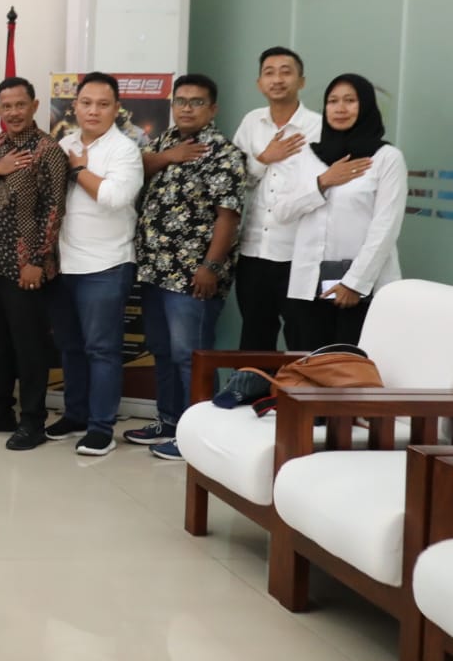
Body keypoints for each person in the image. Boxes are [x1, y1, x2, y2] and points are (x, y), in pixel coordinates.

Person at [125, 75, 246, 460]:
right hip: (154, 270)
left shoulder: (224, 152)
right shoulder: (162, 142)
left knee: (190, 356)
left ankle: (199, 435)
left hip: (193, 276)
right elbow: (138, 169)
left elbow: (228, 217)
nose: (187, 108)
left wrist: (210, 266)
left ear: (213, 109)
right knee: (161, 350)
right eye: (181, 101)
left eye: (197, 102)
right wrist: (168, 156)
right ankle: (169, 421)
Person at [0, 77, 67, 450]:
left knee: (29, 347)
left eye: (20, 105)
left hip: (27, 266)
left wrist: (37, 260)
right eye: (6, 106)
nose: (14, 112)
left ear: (34, 106)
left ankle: (33, 421)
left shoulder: (49, 149)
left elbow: (54, 210)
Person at [45, 72, 144, 457]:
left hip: (106, 265)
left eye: (103, 104)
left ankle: (101, 427)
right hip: (64, 264)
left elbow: (114, 197)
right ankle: (75, 415)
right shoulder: (64, 143)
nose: (93, 111)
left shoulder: (125, 150)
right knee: (70, 348)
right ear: (75, 106)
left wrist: (78, 170)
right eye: (86, 103)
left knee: (102, 350)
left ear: (116, 109)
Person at [273, 74, 406, 349]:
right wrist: (322, 182)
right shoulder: (307, 155)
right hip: (309, 286)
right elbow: (282, 212)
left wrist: (355, 283)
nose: (340, 108)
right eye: (332, 101)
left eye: (350, 100)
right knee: (308, 363)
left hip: (362, 289)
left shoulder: (386, 158)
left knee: (352, 367)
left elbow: (386, 226)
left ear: (365, 106)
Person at [230, 47, 322, 349]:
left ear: (301, 81)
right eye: (269, 73)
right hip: (254, 250)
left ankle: (299, 384)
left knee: (304, 338)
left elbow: (323, 189)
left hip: (300, 252)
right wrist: (264, 158)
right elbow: (235, 182)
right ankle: (256, 384)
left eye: (286, 72)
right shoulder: (252, 122)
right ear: (260, 83)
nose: (277, 79)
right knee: (255, 338)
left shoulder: (318, 127)